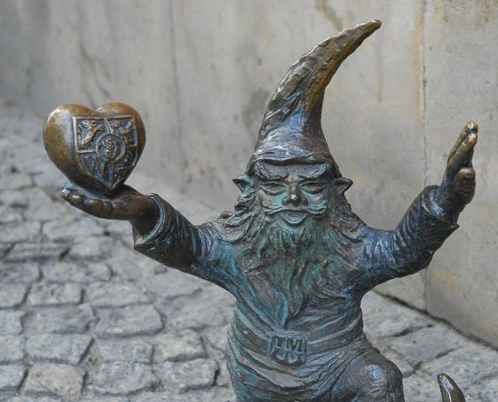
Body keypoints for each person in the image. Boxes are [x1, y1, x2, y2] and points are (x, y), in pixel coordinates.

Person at [63, 20, 476, 402]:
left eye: (310, 185)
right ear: (251, 192)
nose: (292, 197)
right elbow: (188, 246)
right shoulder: (237, 246)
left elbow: (403, 251)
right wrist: (142, 211)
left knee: (380, 381)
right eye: (275, 186)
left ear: (335, 193)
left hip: (336, 364)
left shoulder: (350, 249)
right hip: (258, 371)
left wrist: (446, 200)